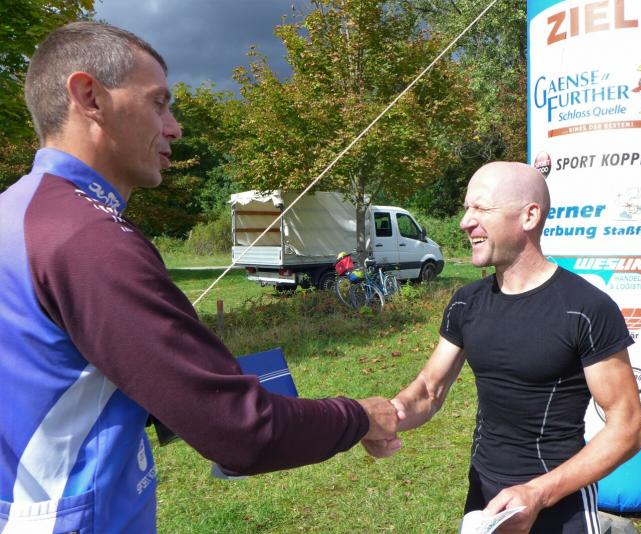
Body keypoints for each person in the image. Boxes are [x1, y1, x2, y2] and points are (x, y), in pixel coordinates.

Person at [0, 22, 399, 533]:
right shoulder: (90, 240)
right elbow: (241, 432)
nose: (175, 128)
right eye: (158, 103)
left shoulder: (18, 212)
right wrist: (360, 416)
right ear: (89, 97)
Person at [363, 162, 641, 533]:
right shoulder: (466, 302)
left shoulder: (586, 308)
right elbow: (429, 390)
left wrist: (538, 493)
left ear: (529, 216)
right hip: (485, 495)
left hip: (558, 499)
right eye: (467, 209)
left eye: (481, 208)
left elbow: (628, 428)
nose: (465, 222)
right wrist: (384, 419)